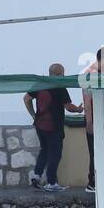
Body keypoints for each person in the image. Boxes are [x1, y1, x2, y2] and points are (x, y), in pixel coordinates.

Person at [24, 63, 82, 192]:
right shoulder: (59, 87)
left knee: (44, 150)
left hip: (40, 125)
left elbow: (26, 99)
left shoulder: (40, 84)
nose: (64, 76)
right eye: (62, 73)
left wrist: (34, 115)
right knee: (55, 154)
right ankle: (51, 182)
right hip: (54, 126)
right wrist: (79, 109)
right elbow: (68, 106)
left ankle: (36, 176)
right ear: (58, 74)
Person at [81, 46, 104, 194]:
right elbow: (87, 102)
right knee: (95, 152)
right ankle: (92, 183)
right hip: (94, 120)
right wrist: (89, 123)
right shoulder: (90, 75)